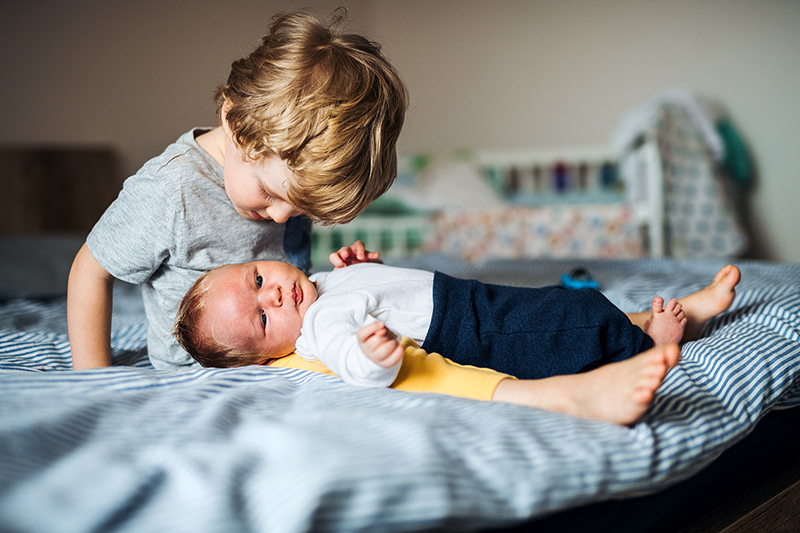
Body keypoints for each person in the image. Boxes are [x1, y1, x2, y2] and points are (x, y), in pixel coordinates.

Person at [67, 8, 406, 370]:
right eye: (271, 193)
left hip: (291, 363)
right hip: (191, 383)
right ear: (236, 124)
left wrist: (355, 280)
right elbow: (91, 271)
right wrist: (93, 379)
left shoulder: (286, 183)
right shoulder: (172, 189)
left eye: (301, 210)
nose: (280, 216)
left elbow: (295, 288)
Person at [173, 260, 741, 424]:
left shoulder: (320, 285)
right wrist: (372, 357)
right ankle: (652, 346)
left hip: (466, 296)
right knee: (569, 324)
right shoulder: (321, 327)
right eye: (263, 319)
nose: (273, 296)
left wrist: (363, 267)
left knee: (556, 306)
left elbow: (377, 291)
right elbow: (349, 359)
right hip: (466, 327)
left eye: (256, 280)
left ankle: (676, 310)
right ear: (272, 355)